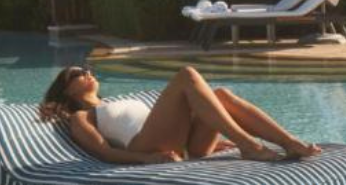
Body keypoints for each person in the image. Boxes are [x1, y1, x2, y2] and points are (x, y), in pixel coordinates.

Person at [38, 64, 321, 164]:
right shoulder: (81, 118)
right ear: (66, 91)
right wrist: (145, 159)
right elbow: (105, 154)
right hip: (146, 145)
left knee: (220, 94)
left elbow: (171, 124)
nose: (87, 73)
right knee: (186, 75)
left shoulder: (112, 101)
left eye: (87, 69)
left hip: (180, 146)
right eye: (77, 74)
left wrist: (205, 139)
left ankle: (288, 141)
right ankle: (249, 145)